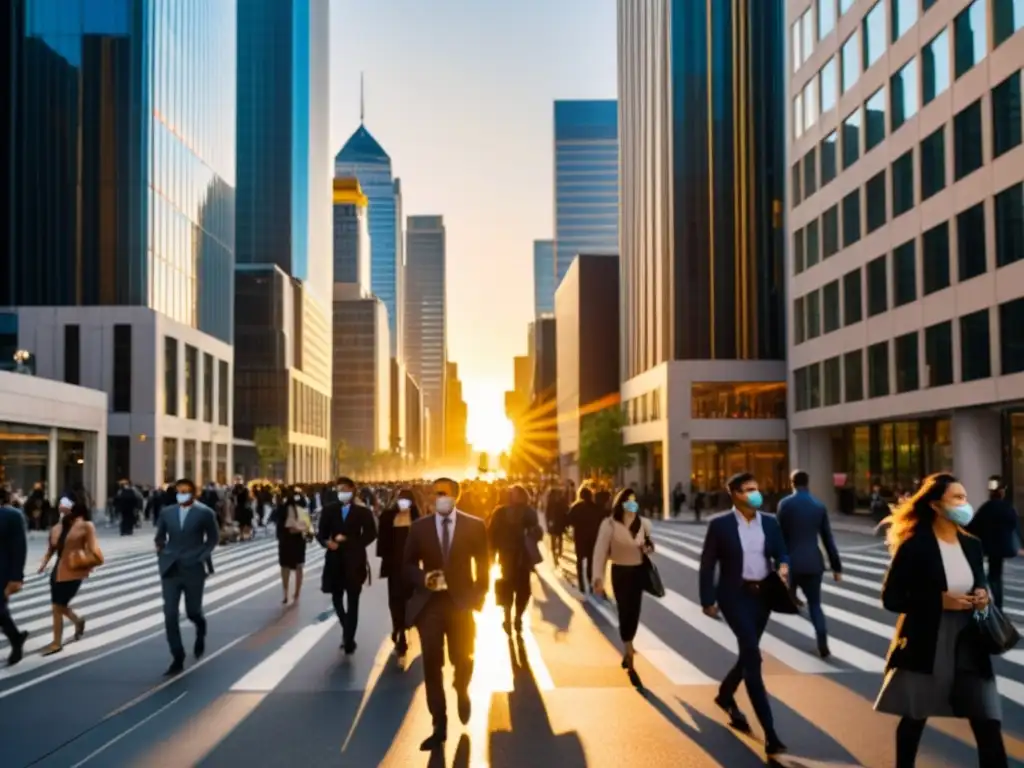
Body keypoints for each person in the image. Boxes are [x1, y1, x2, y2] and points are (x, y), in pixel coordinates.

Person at [874, 473, 1006, 767]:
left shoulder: (972, 545)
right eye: (956, 498)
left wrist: (984, 601)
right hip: (928, 640)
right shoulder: (914, 546)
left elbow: (981, 589)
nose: (964, 503)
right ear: (935, 505)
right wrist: (938, 601)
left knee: (987, 718)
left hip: (969, 641)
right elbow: (891, 598)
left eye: (965, 497)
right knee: (915, 717)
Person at [699, 472, 790, 758]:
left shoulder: (771, 522)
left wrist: (784, 565)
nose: (756, 493)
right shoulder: (720, 525)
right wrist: (707, 599)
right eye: (749, 489)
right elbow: (708, 563)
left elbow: (782, 552)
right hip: (733, 595)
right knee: (752, 654)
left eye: (756, 488)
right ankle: (771, 734)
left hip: (762, 596)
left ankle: (725, 695)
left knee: (748, 654)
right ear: (735, 493)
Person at [404, 477, 489, 752]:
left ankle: (462, 689)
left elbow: (484, 567)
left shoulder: (474, 525)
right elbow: (406, 565)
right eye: (435, 493)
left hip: (461, 604)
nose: (438, 497)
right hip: (430, 605)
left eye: (443, 493)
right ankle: (439, 724)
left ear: (455, 496)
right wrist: (424, 578)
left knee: (461, 658)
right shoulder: (419, 528)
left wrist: (476, 596)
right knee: (432, 662)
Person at [154, 477, 219, 676]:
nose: (182, 494)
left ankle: (200, 627)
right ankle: (177, 655)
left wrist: (202, 556)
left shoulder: (205, 513)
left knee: (193, 612)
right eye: (178, 491)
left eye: (186, 491)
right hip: (171, 568)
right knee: (170, 613)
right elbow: (159, 536)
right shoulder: (167, 512)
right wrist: (162, 552)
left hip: (194, 568)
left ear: (193, 492)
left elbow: (213, 538)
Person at [776, 470, 842, 658]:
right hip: (813, 562)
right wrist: (837, 567)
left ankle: (792, 596)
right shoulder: (818, 506)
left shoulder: (785, 505)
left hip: (790, 563)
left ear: (792, 483)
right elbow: (828, 539)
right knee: (815, 604)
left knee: (785, 591)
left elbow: (779, 535)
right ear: (808, 483)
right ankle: (822, 642)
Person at [592, 487, 654, 679]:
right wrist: (598, 578)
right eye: (628, 501)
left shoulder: (642, 523)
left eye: (635, 501)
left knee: (635, 611)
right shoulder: (609, 524)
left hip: (638, 572)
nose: (632, 505)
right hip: (620, 572)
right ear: (620, 503)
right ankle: (628, 647)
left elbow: (651, 547)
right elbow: (600, 551)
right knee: (624, 609)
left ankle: (629, 641)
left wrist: (647, 548)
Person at [317, 476, 377, 654]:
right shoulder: (329, 511)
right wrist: (327, 543)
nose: (341, 493)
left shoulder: (362, 512)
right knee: (336, 599)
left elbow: (371, 534)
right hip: (334, 560)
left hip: (354, 560)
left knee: (353, 600)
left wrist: (351, 542)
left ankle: (349, 638)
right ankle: (346, 627)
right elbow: (321, 534)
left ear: (353, 490)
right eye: (339, 490)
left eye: (345, 490)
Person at [38, 499, 103, 655]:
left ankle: (57, 642)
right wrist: (43, 563)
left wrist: (90, 559)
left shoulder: (86, 526)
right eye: (61, 507)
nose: (62, 510)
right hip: (57, 571)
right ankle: (77, 621)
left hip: (75, 570)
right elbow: (51, 548)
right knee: (57, 606)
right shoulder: (56, 528)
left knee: (57, 606)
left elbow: (93, 549)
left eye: (66, 507)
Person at [489, 484, 543, 635]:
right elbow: (538, 533)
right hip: (522, 558)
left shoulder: (500, 512)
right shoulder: (528, 512)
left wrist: (491, 554)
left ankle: (509, 617)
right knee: (522, 589)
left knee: (507, 587)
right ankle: (516, 617)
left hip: (508, 557)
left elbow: (491, 535)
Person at [377, 487, 421, 656]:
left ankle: (404, 627)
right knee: (395, 599)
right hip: (394, 566)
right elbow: (382, 541)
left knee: (407, 599)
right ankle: (399, 629)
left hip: (410, 566)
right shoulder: (388, 516)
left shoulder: (416, 517)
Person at [966, 475, 1021, 610]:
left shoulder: (987, 507)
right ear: (1002, 492)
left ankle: (992, 601)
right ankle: (998, 604)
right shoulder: (1008, 508)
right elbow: (1014, 524)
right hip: (1002, 547)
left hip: (989, 546)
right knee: (997, 575)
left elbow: (974, 526)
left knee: (990, 576)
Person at [0, 488, 28, 666]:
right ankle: (16, 637)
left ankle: (16, 639)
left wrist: (16, 577)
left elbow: (19, 548)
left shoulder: (12, 516)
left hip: (3, 571)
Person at [271, 485, 311, 604]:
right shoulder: (301, 508)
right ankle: (297, 592)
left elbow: (277, 522)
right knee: (299, 566)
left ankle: (285, 592)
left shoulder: (282, 508)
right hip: (298, 539)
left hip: (285, 540)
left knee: (285, 567)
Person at [567, 485, 603, 594]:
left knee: (579, 560)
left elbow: (569, 520)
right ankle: (590, 582)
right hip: (593, 537)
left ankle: (581, 584)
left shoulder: (576, 507)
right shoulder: (596, 507)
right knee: (591, 561)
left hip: (580, 537)